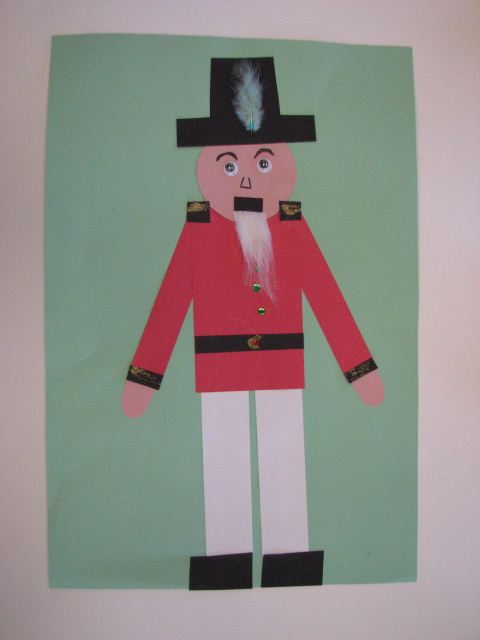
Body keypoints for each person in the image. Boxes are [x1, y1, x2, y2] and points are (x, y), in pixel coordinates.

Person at [122, 57, 384, 590]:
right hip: (216, 362)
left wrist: (359, 368)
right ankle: (226, 562)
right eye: (229, 166)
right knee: (224, 461)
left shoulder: (292, 225)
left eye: (263, 163)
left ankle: (290, 560)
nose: (245, 177)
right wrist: (144, 376)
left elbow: (328, 298)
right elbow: (170, 302)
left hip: (283, 360)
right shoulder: (199, 227)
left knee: (285, 456)